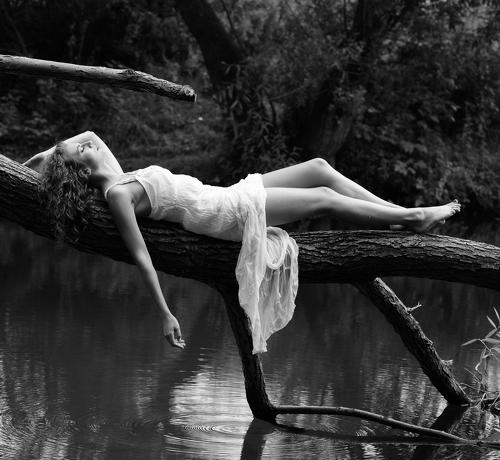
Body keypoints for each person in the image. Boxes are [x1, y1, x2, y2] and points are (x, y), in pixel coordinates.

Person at [24, 131, 461, 353]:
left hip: (226, 194)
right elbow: (141, 256)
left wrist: (37, 161)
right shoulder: (117, 195)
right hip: (228, 215)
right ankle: (412, 217)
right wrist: (165, 312)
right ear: (82, 168)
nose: (87, 141)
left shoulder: (119, 173)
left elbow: (79, 139)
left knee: (320, 167)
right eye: (79, 149)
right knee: (323, 198)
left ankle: (400, 213)